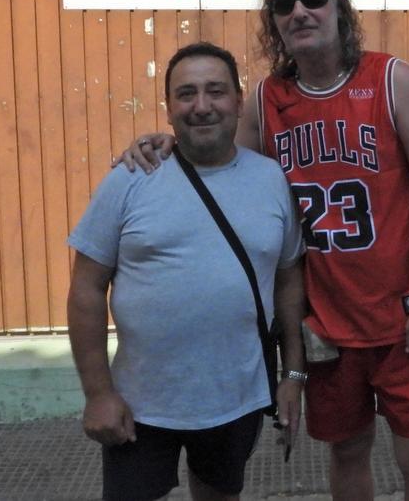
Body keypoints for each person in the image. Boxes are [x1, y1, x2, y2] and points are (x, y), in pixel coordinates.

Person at [118, 0, 409, 500]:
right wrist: (166, 142)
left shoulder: (390, 79)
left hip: (401, 318)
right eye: (283, 4)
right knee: (347, 453)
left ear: (338, 6)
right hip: (324, 323)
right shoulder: (267, 100)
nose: (299, 11)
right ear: (273, 20)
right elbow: (222, 164)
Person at [68, 42, 306, 501]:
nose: (201, 106)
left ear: (238, 101)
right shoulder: (132, 177)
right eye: (186, 94)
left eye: (215, 92)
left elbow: (289, 281)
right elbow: (86, 288)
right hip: (140, 403)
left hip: (235, 396)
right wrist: (98, 394)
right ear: (168, 106)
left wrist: (293, 377)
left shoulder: (271, 179)